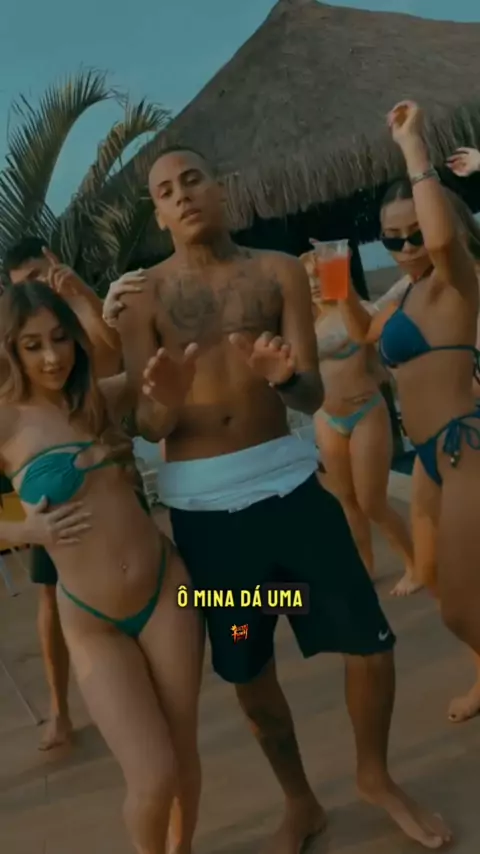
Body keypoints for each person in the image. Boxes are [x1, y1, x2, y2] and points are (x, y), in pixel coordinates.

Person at [103, 145, 451, 853]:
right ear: (158, 213)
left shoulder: (279, 271)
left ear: (220, 188)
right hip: (210, 527)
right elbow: (147, 423)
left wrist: (285, 377)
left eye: (193, 180)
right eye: (166, 191)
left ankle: (375, 775)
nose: (182, 195)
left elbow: (312, 394)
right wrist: (163, 404)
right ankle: (301, 801)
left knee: (369, 644)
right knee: (249, 668)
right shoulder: (141, 299)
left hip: (294, 497)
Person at [0, 282, 203, 854]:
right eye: (32, 345)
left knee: (183, 754)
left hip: (166, 592)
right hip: (92, 620)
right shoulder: (7, 422)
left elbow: (154, 408)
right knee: (153, 775)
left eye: (60, 339)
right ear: (10, 350)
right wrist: (24, 532)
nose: (51, 357)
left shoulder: (96, 398)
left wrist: (172, 395)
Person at [339, 100, 480, 726]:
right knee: (440, 584)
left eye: (414, 234)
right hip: (427, 457)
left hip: (464, 445)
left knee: (460, 605)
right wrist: (340, 291)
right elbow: (366, 335)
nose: (403, 246)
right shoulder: (410, 291)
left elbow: (444, 240)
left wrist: (413, 147)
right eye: (391, 238)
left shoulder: (455, 279)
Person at [2, 237, 123, 749]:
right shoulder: (20, 349)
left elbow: (111, 359)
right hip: (46, 493)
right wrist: (24, 528)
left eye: (37, 277)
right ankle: (60, 707)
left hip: (112, 481)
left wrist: (80, 296)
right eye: (19, 286)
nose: (31, 291)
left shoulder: (70, 325)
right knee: (51, 596)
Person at [300, 251, 416, 595]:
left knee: (372, 501)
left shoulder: (357, 311)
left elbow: (389, 309)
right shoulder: (304, 324)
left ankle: (414, 563)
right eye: (308, 280)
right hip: (327, 417)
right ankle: (365, 566)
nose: (315, 285)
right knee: (346, 501)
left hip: (365, 411)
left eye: (321, 277)